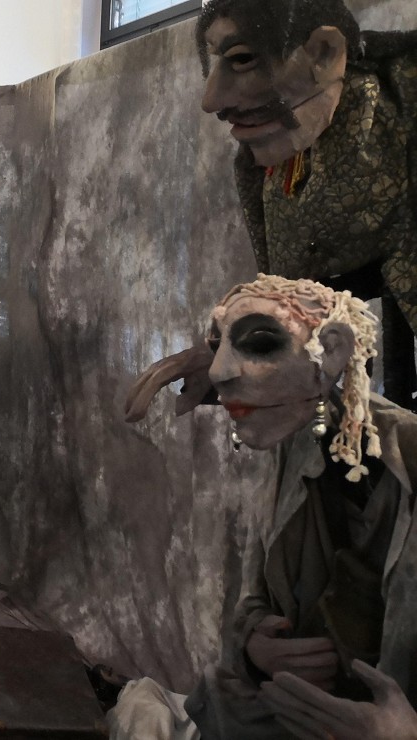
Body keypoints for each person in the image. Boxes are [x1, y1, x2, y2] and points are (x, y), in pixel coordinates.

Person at [109, 275, 417, 739]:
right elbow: (255, 600)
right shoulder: (296, 442)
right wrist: (256, 646)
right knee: (142, 708)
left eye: (258, 343)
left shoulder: (402, 461)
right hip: (280, 716)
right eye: (219, 348)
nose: (219, 372)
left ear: (332, 351)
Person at [124, 0, 417, 420]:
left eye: (242, 59)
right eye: (218, 61)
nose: (211, 100)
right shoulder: (271, 162)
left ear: (324, 53)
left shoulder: (390, 118)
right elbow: (294, 292)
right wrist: (223, 351)